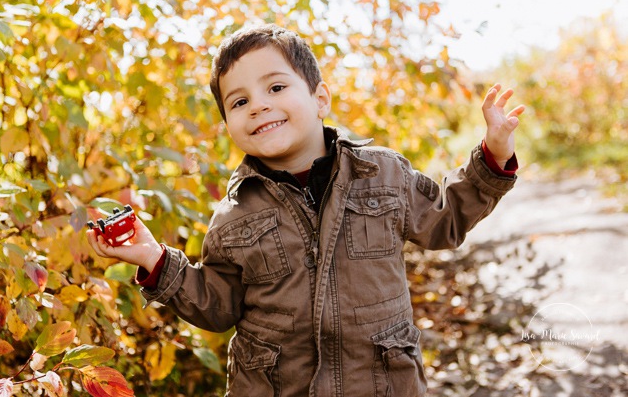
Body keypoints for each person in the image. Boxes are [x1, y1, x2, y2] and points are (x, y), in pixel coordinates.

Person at [87, 23, 525, 396]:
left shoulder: (381, 174)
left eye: (276, 87)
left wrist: (493, 154)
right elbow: (218, 306)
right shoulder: (234, 214)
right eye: (238, 102)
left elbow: (445, 221)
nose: (258, 105)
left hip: (381, 382)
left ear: (320, 99)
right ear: (229, 125)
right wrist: (153, 260)